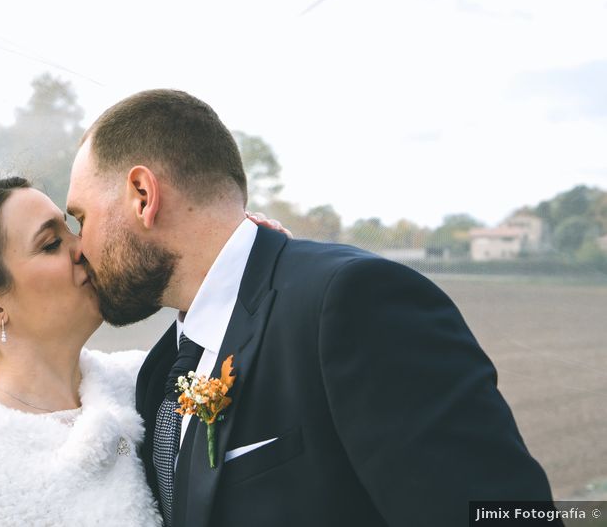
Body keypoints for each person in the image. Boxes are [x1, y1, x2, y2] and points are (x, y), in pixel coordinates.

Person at [64, 89, 557, 527]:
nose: (78, 247)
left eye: (81, 218)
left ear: (143, 195)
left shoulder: (352, 303)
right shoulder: (158, 376)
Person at [0, 176, 286, 526]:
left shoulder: (144, 382)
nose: (83, 247)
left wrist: (251, 273)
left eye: (72, 228)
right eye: (49, 244)